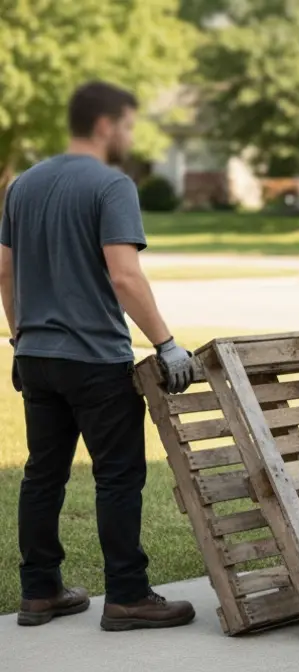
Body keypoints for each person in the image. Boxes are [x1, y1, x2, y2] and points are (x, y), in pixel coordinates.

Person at [0, 82, 198, 629]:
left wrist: (21, 338)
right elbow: (124, 274)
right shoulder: (112, 185)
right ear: (107, 125)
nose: (131, 137)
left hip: (35, 356)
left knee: (43, 476)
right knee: (117, 477)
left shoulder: (23, 185)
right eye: (130, 126)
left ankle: (39, 592)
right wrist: (166, 343)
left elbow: (3, 270)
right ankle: (128, 596)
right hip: (94, 360)